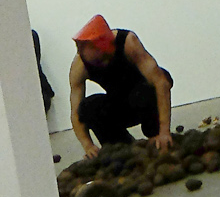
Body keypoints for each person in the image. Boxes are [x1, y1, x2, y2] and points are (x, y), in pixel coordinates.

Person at [69, 15, 173, 159]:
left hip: (144, 99)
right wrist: (88, 145)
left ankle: (154, 137)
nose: (102, 65)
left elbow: (161, 83)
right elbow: (75, 112)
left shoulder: (128, 42)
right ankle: (121, 146)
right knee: (88, 107)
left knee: (145, 90)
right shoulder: (80, 66)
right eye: (96, 63)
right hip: (120, 104)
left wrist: (164, 131)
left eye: (102, 59)